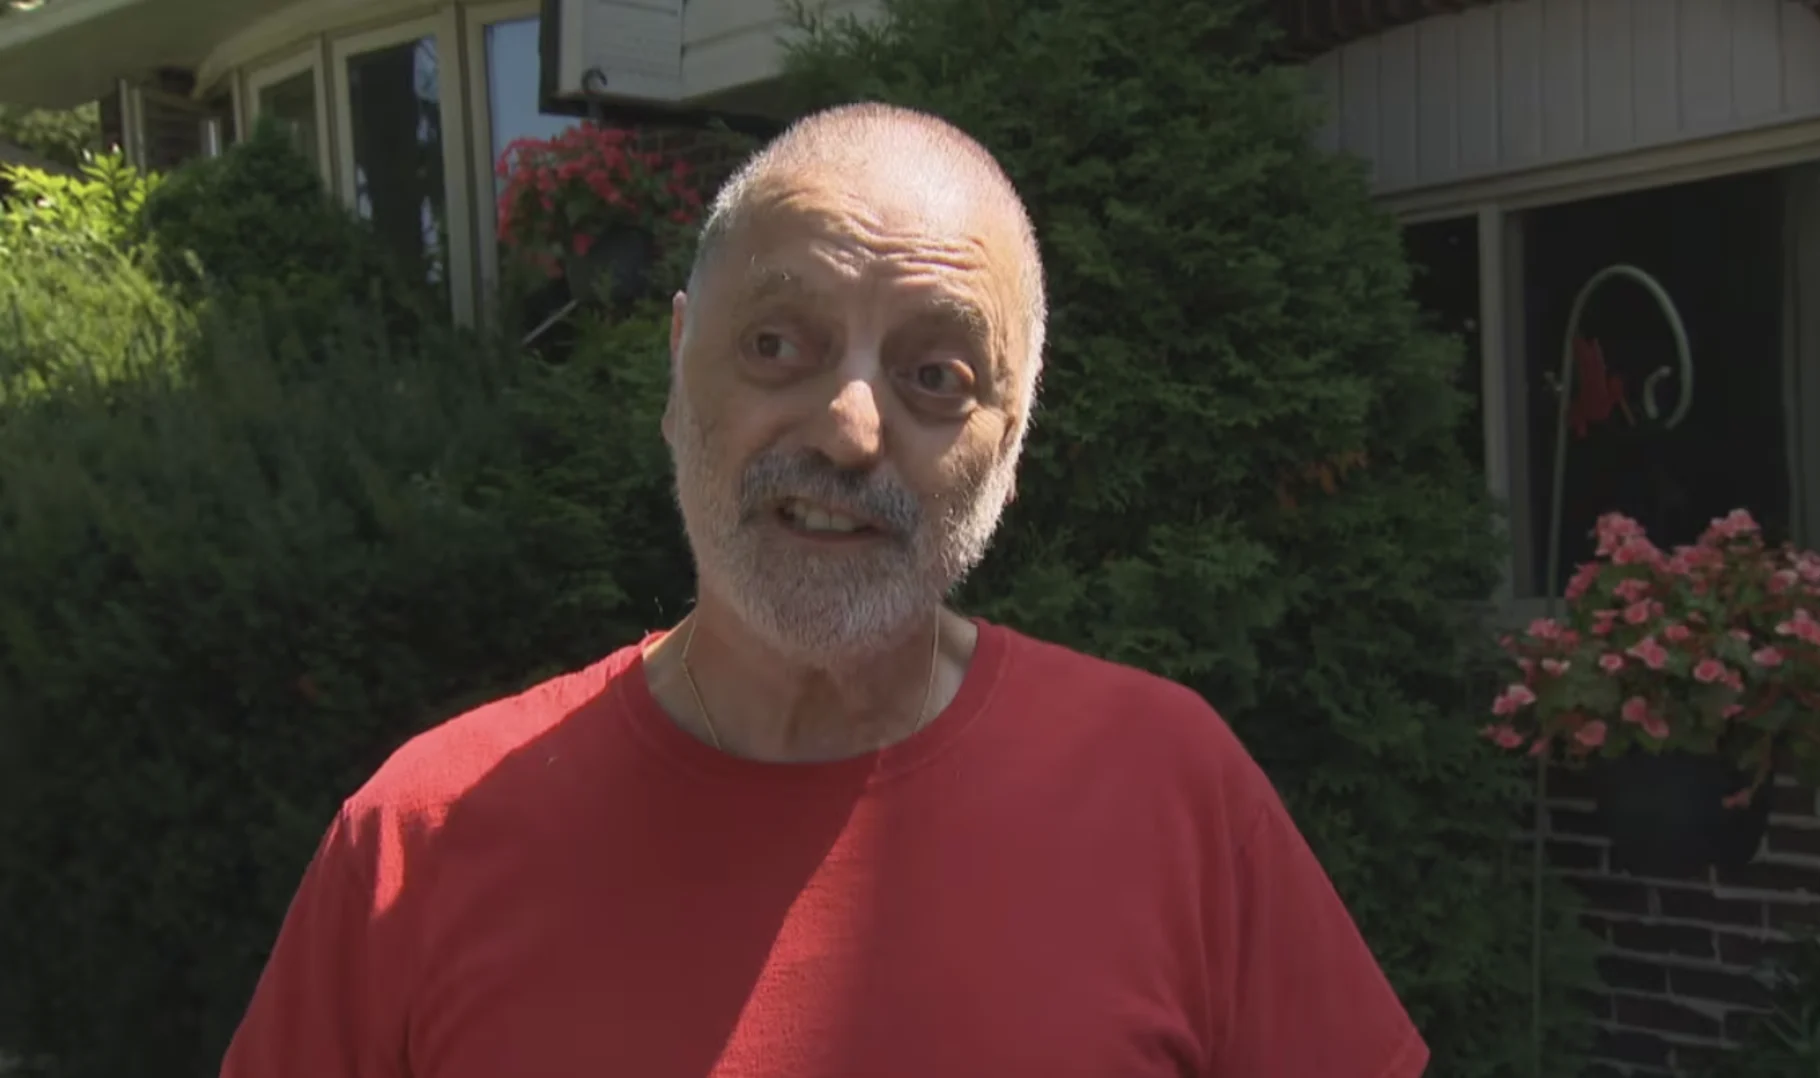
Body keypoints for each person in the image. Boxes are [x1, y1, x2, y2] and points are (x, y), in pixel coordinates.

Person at [220, 102, 1429, 1078]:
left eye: (935, 372)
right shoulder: (418, 841)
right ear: (678, 362)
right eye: (776, 345)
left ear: (1012, 440)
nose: (851, 428)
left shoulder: (1172, 788)